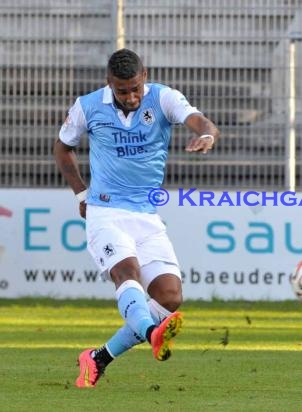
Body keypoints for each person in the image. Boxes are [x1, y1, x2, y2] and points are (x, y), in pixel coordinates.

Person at [54, 48, 220, 387]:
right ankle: (151, 332)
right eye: (122, 90)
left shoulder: (163, 98)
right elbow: (62, 147)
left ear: (144, 76)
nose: (130, 97)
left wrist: (206, 135)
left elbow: (199, 121)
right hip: (106, 211)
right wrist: (81, 193)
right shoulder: (87, 106)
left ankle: (97, 358)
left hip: (146, 215)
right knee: (126, 272)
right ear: (109, 83)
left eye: (135, 88)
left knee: (169, 296)